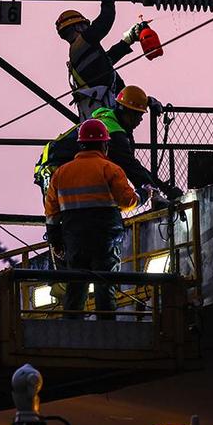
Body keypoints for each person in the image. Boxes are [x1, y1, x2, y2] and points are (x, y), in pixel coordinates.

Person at [44, 119, 139, 320]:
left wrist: (55, 240)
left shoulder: (61, 173)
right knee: (105, 283)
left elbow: (51, 212)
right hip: (105, 238)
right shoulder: (110, 169)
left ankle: (72, 328)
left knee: (76, 286)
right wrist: (143, 196)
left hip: (75, 239)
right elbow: (127, 201)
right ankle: (106, 329)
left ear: (80, 144)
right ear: (104, 144)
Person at [35, 84, 179, 204]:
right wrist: (158, 192)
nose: (140, 120)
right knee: (63, 211)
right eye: (139, 115)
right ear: (128, 113)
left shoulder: (109, 119)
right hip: (52, 168)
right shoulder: (114, 133)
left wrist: (147, 101)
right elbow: (132, 167)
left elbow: (124, 94)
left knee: (72, 211)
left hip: (59, 164)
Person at [56, 0, 145, 119]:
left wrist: (128, 40)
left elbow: (105, 62)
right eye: (85, 26)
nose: (88, 28)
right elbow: (104, 22)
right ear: (78, 27)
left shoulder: (79, 53)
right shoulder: (83, 42)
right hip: (104, 117)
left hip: (100, 116)